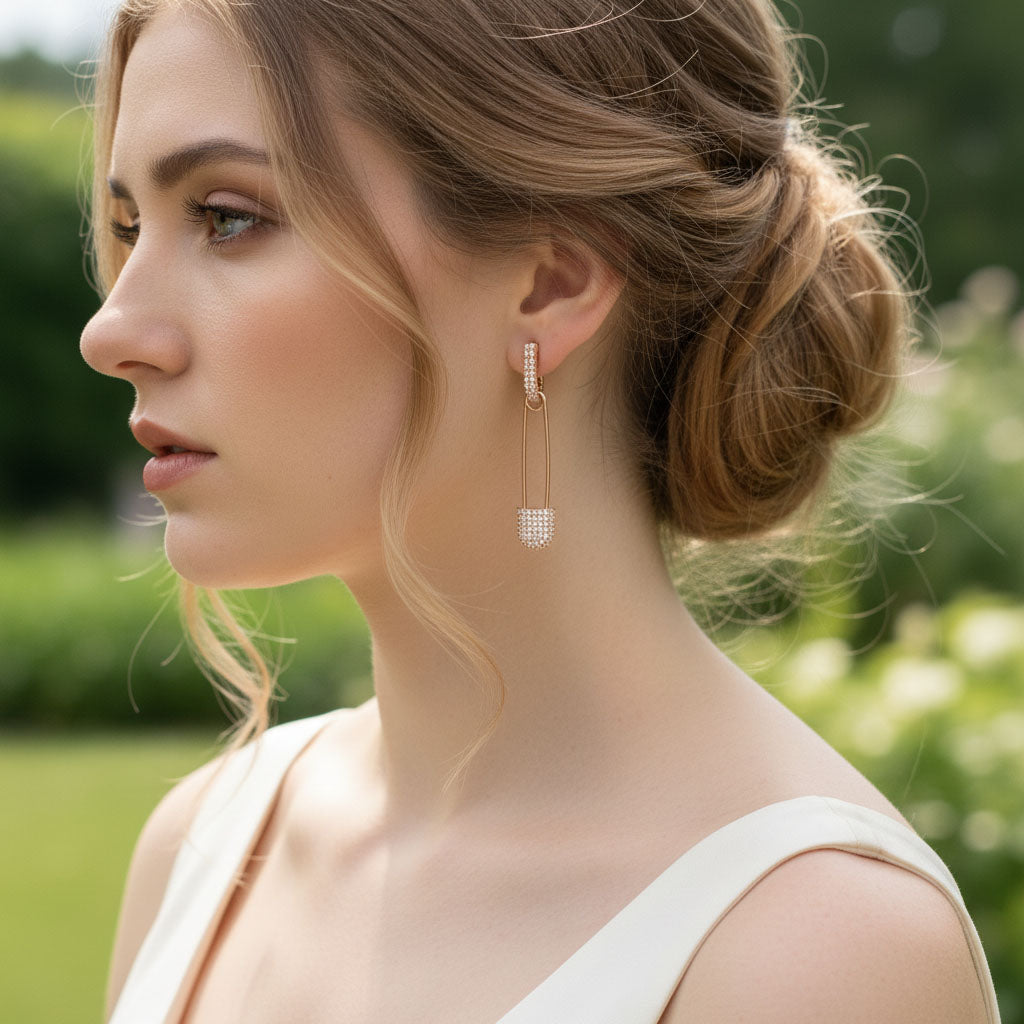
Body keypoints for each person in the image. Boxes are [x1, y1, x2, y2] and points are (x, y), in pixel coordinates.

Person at [79, 0, 1001, 1021]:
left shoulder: (817, 952)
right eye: (129, 227)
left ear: (550, 282)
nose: (112, 328)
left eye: (226, 215)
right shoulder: (205, 849)